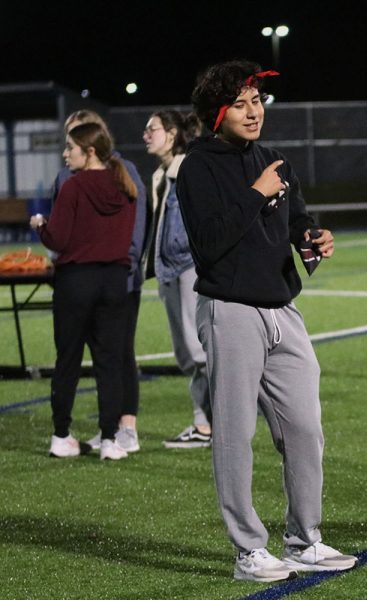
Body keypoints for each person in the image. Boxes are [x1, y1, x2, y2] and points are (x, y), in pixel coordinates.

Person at [176, 60, 357, 582]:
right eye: (240, 103)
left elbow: (296, 218)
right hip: (230, 309)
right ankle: (248, 550)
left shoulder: (275, 158)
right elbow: (208, 244)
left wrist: (312, 238)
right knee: (234, 433)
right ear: (218, 113)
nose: (253, 112)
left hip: (283, 308)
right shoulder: (199, 166)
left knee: (305, 428)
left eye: (257, 101)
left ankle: (305, 540)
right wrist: (255, 192)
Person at [31, 123, 138, 461]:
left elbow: (59, 240)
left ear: (89, 151)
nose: (65, 154)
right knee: (109, 362)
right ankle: (109, 440)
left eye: (70, 148)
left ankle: (61, 436)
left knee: (68, 361)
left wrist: (40, 227)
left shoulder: (74, 187)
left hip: (76, 281)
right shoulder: (126, 186)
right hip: (114, 282)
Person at [142, 109, 212, 449]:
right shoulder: (160, 174)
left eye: (152, 129)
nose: (146, 135)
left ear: (171, 134)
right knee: (187, 353)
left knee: (198, 352)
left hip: (188, 267)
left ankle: (209, 426)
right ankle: (208, 425)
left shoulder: (186, 167)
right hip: (169, 269)